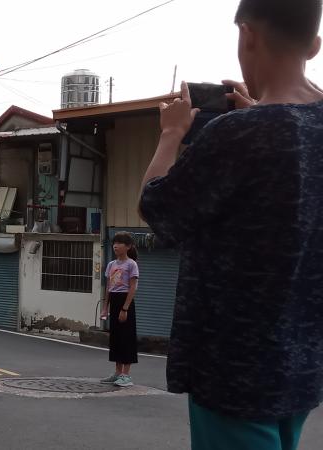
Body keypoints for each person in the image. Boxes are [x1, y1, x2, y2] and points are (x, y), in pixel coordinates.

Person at [138, 1, 323, 448]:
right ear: (314, 47)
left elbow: (156, 207)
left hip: (231, 366)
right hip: (302, 364)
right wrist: (265, 105)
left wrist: (171, 135)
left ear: (247, 35)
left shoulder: (236, 133)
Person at [99, 232, 139, 388]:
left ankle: (126, 375)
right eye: (114, 242)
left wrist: (125, 308)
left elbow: (133, 287)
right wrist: (105, 308)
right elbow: (109, 287)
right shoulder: (111, 265)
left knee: (126, 337)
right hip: (114, 300)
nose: (116, 245)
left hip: (125, 301)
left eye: (120, 243)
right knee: (115, 337)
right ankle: (117, 373)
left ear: (128, 246)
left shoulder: (131, 264)